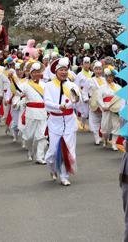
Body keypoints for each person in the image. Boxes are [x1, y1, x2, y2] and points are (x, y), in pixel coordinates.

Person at [44, 57, 81, 186]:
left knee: (69, 151)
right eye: (61, 70)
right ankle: (52, 169)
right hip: (55, 122)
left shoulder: (72, 86)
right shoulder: (48, 85)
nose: (64, 72)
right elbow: (47, 102)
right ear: (56, 71)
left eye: (66, 70)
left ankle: (64, 176)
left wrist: (74, 100)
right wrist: (58, 106)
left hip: (70, 121)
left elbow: (77, 101)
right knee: (52, 153)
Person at [22, 62, 48, 164]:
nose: (37, 74)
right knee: (29, 137)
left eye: (38, 72)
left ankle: (40, 157)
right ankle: (30, 150)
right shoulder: (25, 85)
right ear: (31, 73)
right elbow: (18, 92)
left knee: (42, 136)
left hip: (43, 112)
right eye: (35, 72)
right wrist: (11, 80)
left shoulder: (45, 85)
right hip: (31, 113)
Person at [99, 67, 123, 150]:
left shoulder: (118, 87)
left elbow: (122, 99)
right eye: (107, 76)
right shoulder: (102, 87)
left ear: (113, 77)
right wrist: (103, 106)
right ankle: (105, 139)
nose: (109, 78)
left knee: (116, 125)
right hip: (106, 107)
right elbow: (99, 98)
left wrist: (120, 108)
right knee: (105, 126)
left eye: (110, 76)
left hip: (115, 108)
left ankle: (114, 144)